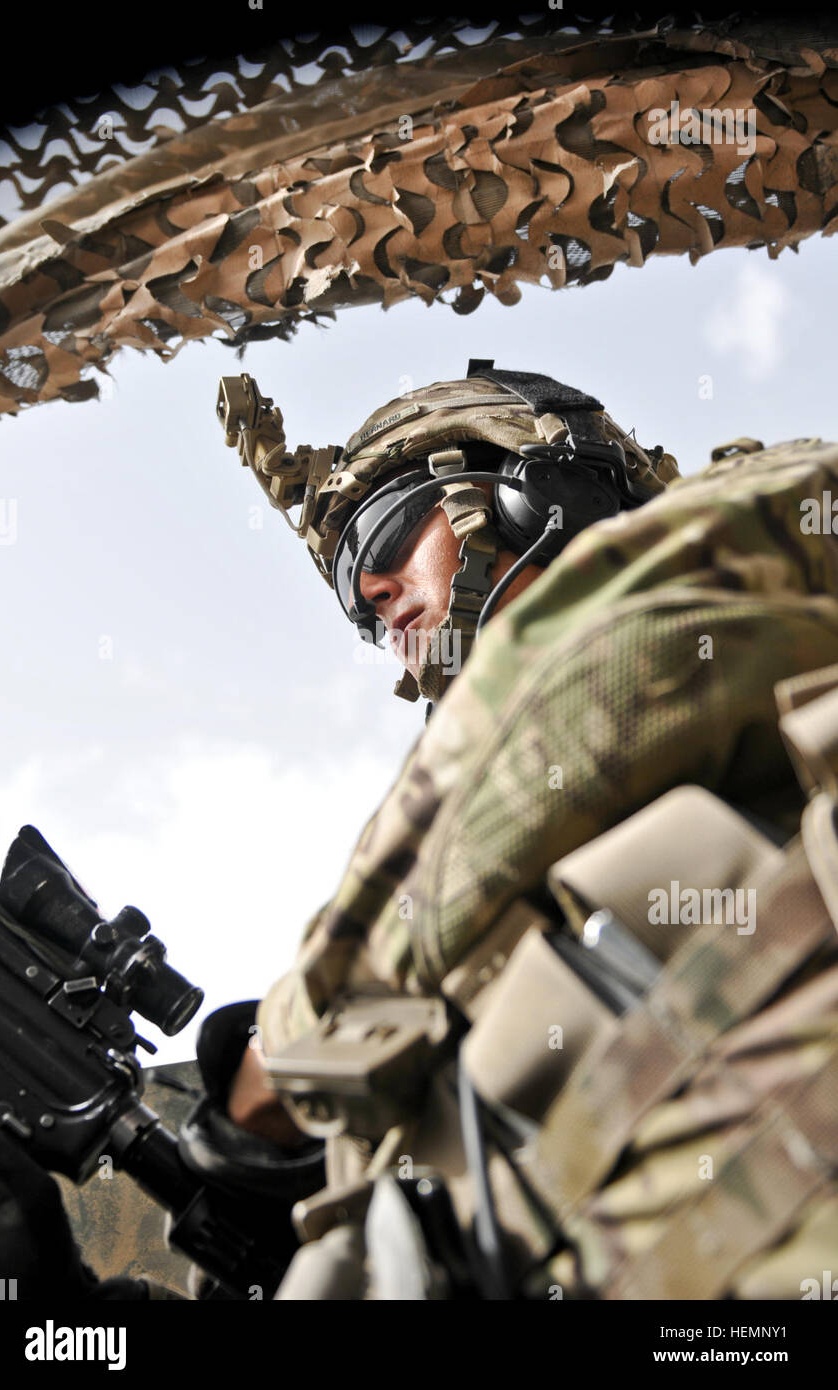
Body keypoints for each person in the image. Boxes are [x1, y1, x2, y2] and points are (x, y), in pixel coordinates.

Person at [213, 361, 838, 1300]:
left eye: (386, 537)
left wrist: (289, 1063)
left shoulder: (730, 545)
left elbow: (591, 680)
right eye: (353, 599)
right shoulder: (518, 874)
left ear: (530, 490)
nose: (375, 598)